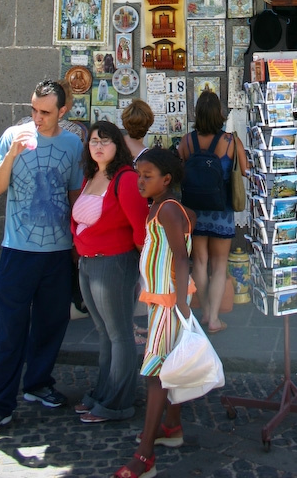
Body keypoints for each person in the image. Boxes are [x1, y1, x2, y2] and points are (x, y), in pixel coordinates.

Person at [0, 80, 83, 440]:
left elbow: (74, 195)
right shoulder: (12, 136)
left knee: (52, 324)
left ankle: (38, 383)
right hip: (18, 251)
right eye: (34, 109)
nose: (37, 117)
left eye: (45, 112)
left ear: (63, 111)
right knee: (11, 331)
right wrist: (12, 154)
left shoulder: (72, 144)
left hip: (57, 253)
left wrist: (77, 246)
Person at [114, 148, 196, 478]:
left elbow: (181, 257)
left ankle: (144, 455)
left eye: (147, 176)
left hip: (168, 303)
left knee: (155, 374)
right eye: (139, 175)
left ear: (166, 179)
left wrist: (181, 304)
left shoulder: (168, 210)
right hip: (162, 300)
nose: (140, 181)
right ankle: (172, 426)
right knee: (168, 366)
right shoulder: (161, 207)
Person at [72, 121, 149, 423]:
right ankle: (102, 393)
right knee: (104, 333)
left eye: (106, 141)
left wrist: (143, 264)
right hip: (88, 263)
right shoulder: (91, 176)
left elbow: (140, 226)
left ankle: (118, 402)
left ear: (118, 145)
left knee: (120, 334)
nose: (99, 146)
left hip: (113, 263)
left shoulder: (125, 179)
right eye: (94, 141)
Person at [177, 91, 247, 334]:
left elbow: (179, 170)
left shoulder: (187, 141)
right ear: (219, 113)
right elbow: (245, 170)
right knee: (219, 264)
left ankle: (205, 310)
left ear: (197, 113)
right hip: (221, 209)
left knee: (199, 262)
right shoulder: (231, 141)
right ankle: (214, 318)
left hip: (194, 210)